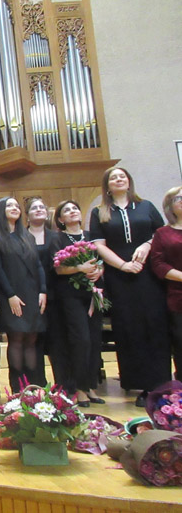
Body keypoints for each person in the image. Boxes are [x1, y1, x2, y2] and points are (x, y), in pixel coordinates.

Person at [89, 167, 170, 406]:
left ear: (129, 181)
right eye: (113, 177)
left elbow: (160, 234)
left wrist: (146, 245)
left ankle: (161, 384)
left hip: (149, 275)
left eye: (122, 176)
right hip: (120, 277)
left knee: (155, 326)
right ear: (107, 185)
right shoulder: (99, 212)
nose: (118, 179)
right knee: (129, 328)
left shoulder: (146, 206)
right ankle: (140, 384)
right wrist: (123, 265)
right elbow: (98, 245)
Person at [50, 200, 105, 405]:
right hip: (70, 295)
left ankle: (91, 386)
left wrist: (98, 271)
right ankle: (80, 388)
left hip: (94, 293)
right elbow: (57, 268)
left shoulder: (91, 236)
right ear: (61, 219)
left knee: (95, 339)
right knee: (81, 340)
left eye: (75, 208)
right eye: (67, 210)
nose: (72, 212)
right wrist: (80, 268)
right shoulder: (57, 238)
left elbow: (102, 260)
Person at [0, 197, 47, 392]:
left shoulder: (27, 236)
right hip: (11, 296)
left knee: (31, 340)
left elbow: (38, 265)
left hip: (32, 294)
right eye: (9, 206)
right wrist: (10, 295)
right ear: (0, 211)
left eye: (16, 205)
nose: (14, 208)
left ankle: (33, 387)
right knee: (16, 339)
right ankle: (17, 388)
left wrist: (43, 290)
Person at [150, 186, 182, 381]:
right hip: (178, 296)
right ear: (170, 206)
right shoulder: (163, 233)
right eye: (178, 198)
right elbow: (158, 264)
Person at [25, 197, 57, 386]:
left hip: (55, 294)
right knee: (33, 341)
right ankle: (37, 384)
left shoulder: (56, 236)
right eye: (34, 208)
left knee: (55, 341)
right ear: (27, 215)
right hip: (29, 294)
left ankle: (61, 384)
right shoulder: (20, 237)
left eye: (41, 207)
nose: (38, 210)